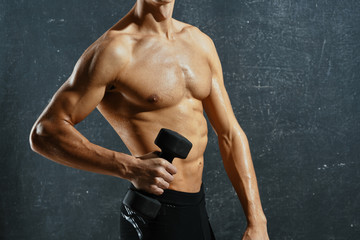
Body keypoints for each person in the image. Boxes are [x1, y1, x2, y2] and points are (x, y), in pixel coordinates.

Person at [29, 0, 269, 239]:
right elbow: (44, 132)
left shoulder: (200, 43)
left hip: (197, 208)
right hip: (154, 214)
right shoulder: (115, 50)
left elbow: (230, 135)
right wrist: (129, 167)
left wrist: (257, 220)